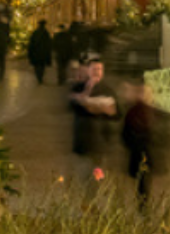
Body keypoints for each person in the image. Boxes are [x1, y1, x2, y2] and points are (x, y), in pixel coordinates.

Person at [67, 56, 118, 188]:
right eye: (94, 69)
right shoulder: (78, 88)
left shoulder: (108, 89)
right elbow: (74, 105)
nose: (97, 72)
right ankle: (88, 205)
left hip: (101, 142)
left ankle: (94, 202)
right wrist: (89, 91)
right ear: (88, 71)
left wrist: (100, 108)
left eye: (100, 69)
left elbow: (116, 112)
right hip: (83, 142)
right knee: (84, 177)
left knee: (97, 179)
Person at [120, 81, 157, 207]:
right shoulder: (134, 112)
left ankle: (142, 207)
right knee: (142, 183)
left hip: (145, 153)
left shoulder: (143, 112)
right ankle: (142, 207)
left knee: (143, 183)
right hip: (140, 153)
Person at [26, 20, 53, 84]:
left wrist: (30, 52)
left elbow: (31, 44)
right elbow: (49, 44)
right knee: (42, 66)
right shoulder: (46, 33)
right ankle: (40, 77)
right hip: (43, 54)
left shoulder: (35, 33)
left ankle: (38, 77)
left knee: (37, 66)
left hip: (36, 53)